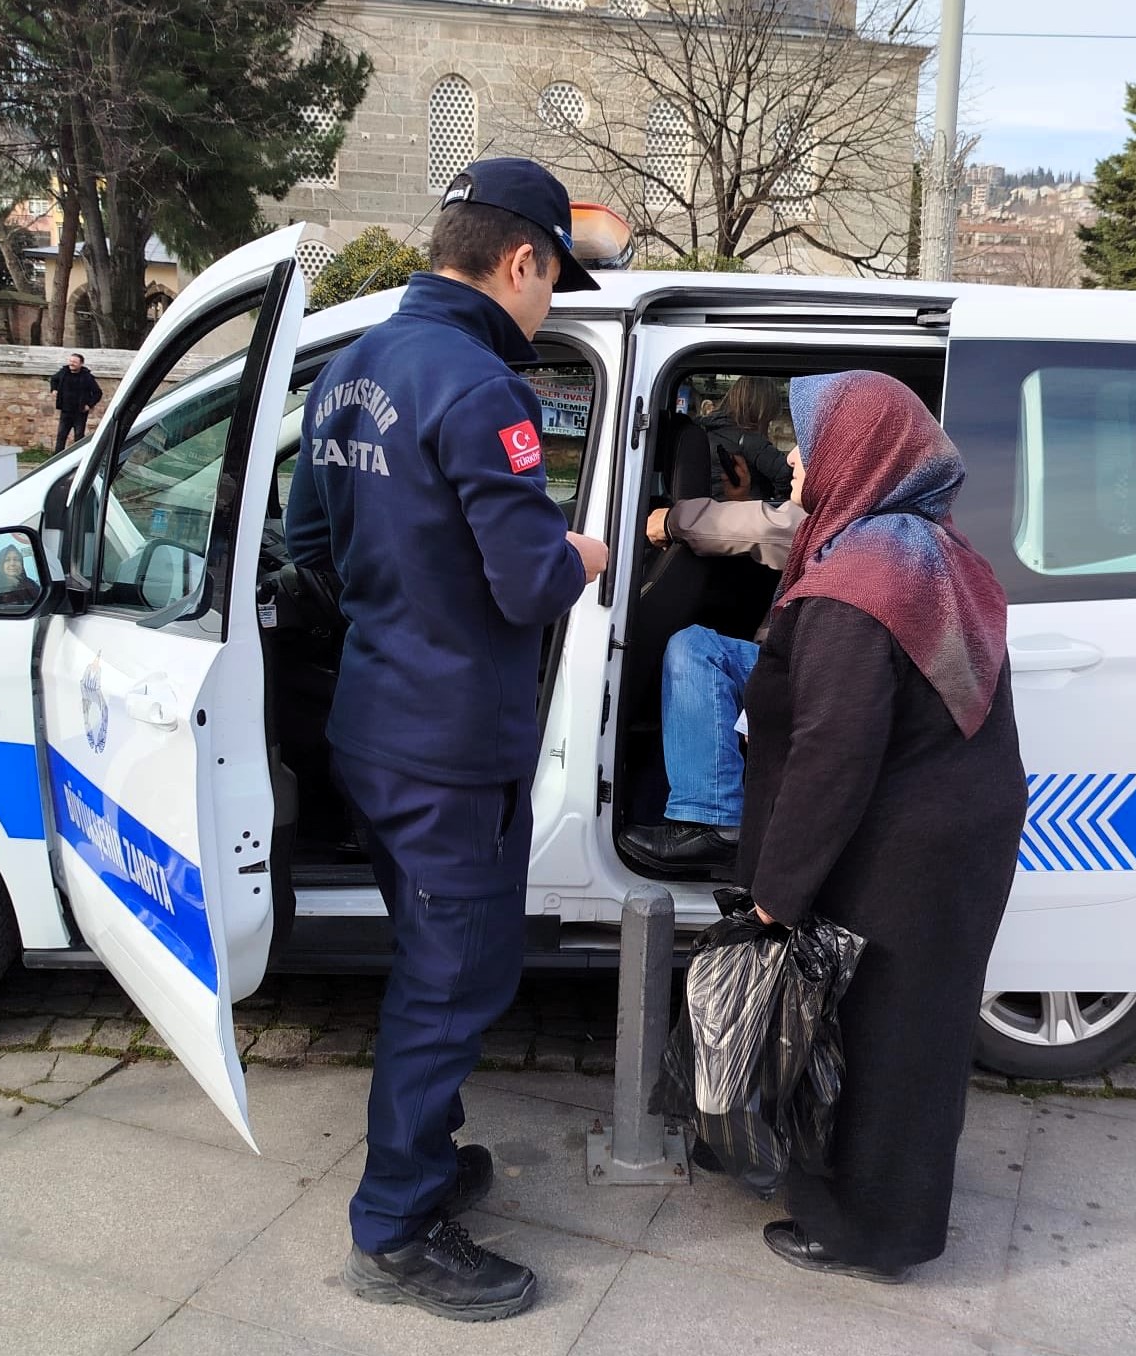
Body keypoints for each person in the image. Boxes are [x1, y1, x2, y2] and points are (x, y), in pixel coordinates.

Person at [285, 157, 609, 1323]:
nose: (550, 307)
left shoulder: (349, 367)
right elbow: (530, 584)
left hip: (371, 724)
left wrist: (401, 602)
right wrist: (584, 555)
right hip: (451, 747)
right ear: (520, 260)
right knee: (453, 979)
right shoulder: (478, 388)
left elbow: (306, 543)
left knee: (432, 959)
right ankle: (396, 1226)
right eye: (553, 283)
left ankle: (427, 1158)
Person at [737, 370, 1025, 1284]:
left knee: (873, 1034)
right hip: (957, 835)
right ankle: (901, 1205)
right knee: (923, 1031)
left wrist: (777, 893)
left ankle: (861, 1229)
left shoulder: (858, 582)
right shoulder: (932, 552)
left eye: (809, 438)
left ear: (855, 454)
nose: (792, 455)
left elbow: (833, 754)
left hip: (899, 846)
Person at [619, 459, 804, 873]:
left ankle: (713, 818)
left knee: (697, 649)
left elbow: (777, 527)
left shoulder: (844, 517)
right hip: (800, 662)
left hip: (807, 671)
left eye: (804, 449)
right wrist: (743, 501)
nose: (791, 458)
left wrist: (675, 520)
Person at [699, 376, 793, 502]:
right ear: (763, 411)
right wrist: (778, 504)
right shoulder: (750, 441)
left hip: (710, 511)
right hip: (747, 513)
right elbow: (788, 478)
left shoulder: (709, 432)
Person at [49, 352, 103, 452]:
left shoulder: (87, 376)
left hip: (80, 412)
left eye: (74, 362)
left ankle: (77, 457)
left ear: (81, 364)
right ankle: (56, 457)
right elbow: (53, 379)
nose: (71, 363)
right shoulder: (63, 372)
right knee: (61, 435)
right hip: (65, 410)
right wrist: (54, 389)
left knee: (79, 436)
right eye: (70, 361)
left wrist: (89, 405)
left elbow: (98, 393)